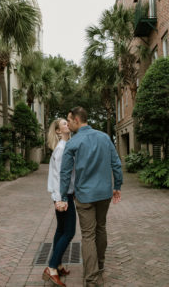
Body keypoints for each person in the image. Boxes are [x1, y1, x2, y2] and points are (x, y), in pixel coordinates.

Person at [59, 107, 123, 287]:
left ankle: (92, 279)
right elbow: (116, 164)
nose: (69, 124)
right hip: (104, 193)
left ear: (77, 120)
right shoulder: (104, 137)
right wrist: (117, 186)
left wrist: (63, 196)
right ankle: (100, 266)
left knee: (88, 236)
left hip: (85, 195)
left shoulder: (73, 142)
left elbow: (65, 173)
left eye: (69, 120)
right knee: (101, 228)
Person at [42, 118, 76, 287]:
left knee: (61, 230)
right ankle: (52, 267)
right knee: (69, 232)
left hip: (62, 195)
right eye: (63, 123)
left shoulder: (62, 147)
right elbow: (60, 177)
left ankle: (59, 264)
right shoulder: (62, 149)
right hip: (64, 195)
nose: (67, 124)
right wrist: (61, 198)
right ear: (57, 131)